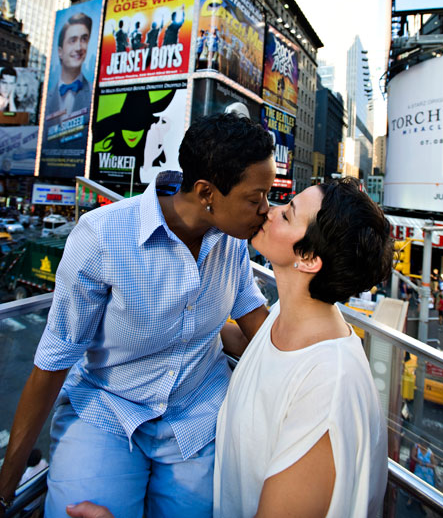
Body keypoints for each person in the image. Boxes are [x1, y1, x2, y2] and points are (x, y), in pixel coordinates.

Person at [0, 113, 276, 518]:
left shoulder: (231, 242)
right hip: (106, 412)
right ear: (206, 193)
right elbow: (51, 364)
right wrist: (4, 492)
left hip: (197, 415)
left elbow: (259, 324)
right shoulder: (102, 236)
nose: (266, 210)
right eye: (256, 199)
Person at [214, 177, 393, 518]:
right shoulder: (287, 313)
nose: (268, 210)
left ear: (309, 258)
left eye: (287, 214)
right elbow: (259, 356)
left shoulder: (328, 385)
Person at [45, 13, 93, 117]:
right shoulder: (46, 98)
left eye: (84, 39)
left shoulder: (93, 93)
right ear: (60, 51)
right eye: (72, 40)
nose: (79, 47)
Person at [18, 448, 48, 516]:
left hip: (28, 504)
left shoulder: (27, 475)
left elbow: (22, 488)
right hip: (38, 498)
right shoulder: (43, 463)